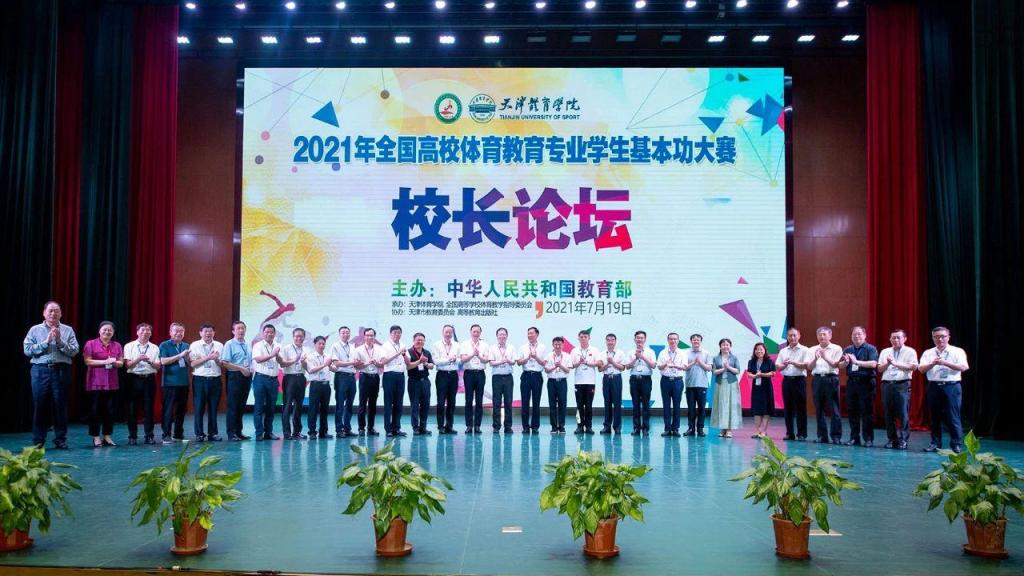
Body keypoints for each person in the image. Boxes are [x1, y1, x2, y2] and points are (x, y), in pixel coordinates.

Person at [22, 301, 79, 450]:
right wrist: (46, 342)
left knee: (60, 405)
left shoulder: (68, 330)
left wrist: (59, 341)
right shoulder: (35, 330)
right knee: (40, 404)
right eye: (50, 310)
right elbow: (27, 350)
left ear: (61, 313)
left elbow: (74, 351)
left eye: (56, 311)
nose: (53, 313)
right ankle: (38, 440)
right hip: (40, 370)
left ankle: (60, 439)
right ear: (44, 313)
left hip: (61, 370)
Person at [919, 326, 970, 453]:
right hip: (934, 386)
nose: (940, 339)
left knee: (953, 416)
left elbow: (964, 367)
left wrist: (945, 363)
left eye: (942, 336)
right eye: (936, 337)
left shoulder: (957, 351)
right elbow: (921, 369)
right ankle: (935, 443)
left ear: (948, 337)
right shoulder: (928, 353)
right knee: (934, 417)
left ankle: (956, 444)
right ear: (933, 338)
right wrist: (933, 363)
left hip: (951, 386)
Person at [82, 321, 123, 447]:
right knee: (95, 410)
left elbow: (121, 363)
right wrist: (105, 362)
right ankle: (95, 437)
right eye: (104, 329)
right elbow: (88, 361)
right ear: (99, 331)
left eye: (110, 330)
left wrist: (114, 362)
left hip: (112, 383)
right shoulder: (90, 343)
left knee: (109, 411)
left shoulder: (117, 345)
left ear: (113, 332)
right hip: (95, 382)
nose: (107, 332)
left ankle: (107, 436)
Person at [877, 329, 918, 450]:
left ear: (904, 339)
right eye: (893, 338)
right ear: (890, 339)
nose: (895, 340)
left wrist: (895, 363)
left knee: (903, 412)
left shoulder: (910, 351)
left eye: (898, 337)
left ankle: (903, 440)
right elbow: (879, 369)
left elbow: (913, 367)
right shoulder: (885, 351)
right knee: (888, 413)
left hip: (902, 384)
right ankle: (892, 439)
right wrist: (888, 363)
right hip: (887, 384)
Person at [840, 326, 879, 447]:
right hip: (852, 382)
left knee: (867, 411)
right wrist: (845, 362)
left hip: (866, 382)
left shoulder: (871, 348)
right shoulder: (848, 349)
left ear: (864, 335)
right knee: (852, 411)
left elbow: (873, 364)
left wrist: (857, 362)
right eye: (854, 334)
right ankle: (854, 438)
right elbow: (840, 365)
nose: (856, 336)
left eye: (859, 334)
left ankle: (868, 439)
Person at [123, 322, 160, 445]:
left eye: (148, 330)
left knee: (148, 409)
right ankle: (132, 436)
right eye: (142, 330)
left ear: (151, 333)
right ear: (137, 332)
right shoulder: (129, 346)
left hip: (149, 379)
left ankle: (149, 436)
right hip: (133, 378)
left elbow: (158, 366)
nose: (145, 332)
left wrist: (149, 361)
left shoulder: (154, 347)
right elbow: (127, 365)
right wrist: (138, 359)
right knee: (132, 408)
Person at [808, 326, 844, 444]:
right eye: (819, 334)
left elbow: (835, 365)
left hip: (831, 379)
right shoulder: (812, 349)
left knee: (834, 408)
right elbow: (810, 367)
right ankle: (822, 436)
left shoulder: (836, 348)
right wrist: (815, 358)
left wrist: (824, 357)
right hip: (817, 379)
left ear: (830, 336)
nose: (821, 336)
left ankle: (836, 436)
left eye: (824, 334)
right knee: (819, 408)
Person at [189, 324, 224, 442]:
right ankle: (199, 434)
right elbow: (193, 364)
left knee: (213, 408)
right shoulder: (195, 345)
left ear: (214, 333)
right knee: (199, 408)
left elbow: (222, 365)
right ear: (200, 333)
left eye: (210, 331)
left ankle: (213, 433)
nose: (208, 333)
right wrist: (208, 358)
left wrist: (216, 359)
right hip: (200, 380)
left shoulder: (219, 345)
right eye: (205, 331)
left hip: (215, 379)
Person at [158, 322, 191, 443]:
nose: (179, 333)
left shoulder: (186, 345)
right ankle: (166, 435)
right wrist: (180, 355)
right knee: (168, 410)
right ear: (170, 332)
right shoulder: (164, 345)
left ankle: (178, 434)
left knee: (181, 410)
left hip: (184, 382)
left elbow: (189, 363)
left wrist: (187, 358)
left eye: (181, 331)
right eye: (176, 331)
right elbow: (163, 361)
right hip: (169, 383)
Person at [776, 328, 810, 441]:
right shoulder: (783, 351)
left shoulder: (805, 350)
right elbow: (778, 367)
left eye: (794, 335)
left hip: (799, 380)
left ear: (799, 336)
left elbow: (806, 365)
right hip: (787, 381)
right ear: (787, 337)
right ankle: (789, 433)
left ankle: (802, 434)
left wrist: (793, 362)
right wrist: (785, 365)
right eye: (790, 336)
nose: (792, 338)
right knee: (788, 408)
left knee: (801, 408)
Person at [221, 320, 252, 441]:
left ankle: (239, 431)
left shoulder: (248, 343)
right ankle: (231, 433)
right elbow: (225, 363)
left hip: (246, 376)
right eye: (238, 328)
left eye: (243, 328)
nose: (241, 330)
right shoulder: (229, 344)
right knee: (233, 405)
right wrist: (241, 368)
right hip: (235, 376)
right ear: (233, 331)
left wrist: (250, 368)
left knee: (241, 405)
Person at [251, 323, 282, 440]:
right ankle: (259, 433)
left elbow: (281, 362)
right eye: (267, 332)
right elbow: (258, 359)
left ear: (274, 333)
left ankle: (268, 432)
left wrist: (278, 356)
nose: (269, 334)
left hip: (273, 380)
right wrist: (272, 354)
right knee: (259, 407)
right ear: (263, 333)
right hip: (260, 379)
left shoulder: (278, 345)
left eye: (271, 332)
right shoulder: (258, 345)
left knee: (271, 408)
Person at [570, 330, 602, 435]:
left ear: (589, 338)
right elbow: (571, 365)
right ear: (578, 338)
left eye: (585, 337)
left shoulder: (595, 350)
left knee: (588, 405)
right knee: (579, 406)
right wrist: (579, 362)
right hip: (578, 382)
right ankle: (579, 426)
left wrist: (587, 362)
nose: (583, 339)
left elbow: (599, 363)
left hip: (590, 382)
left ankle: (589, 426)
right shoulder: (574, 351)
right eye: (581, 337)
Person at [279, 327, 308, 440]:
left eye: (301, 336)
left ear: (304, 337)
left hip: (301, 378)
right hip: (289, 378)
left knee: (299, 406)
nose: (298, 338)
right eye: (296, 336)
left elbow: (308, 367)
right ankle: (287, 433)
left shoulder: (306, 350)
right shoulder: (286, 349)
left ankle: (297, 432)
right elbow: (282, 364)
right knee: (287, 405)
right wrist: (294, 360)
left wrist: (304, 363)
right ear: (293, 337)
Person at [460, 324, 489, 434]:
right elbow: (463, 359)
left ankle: (477, 425)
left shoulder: (485, 345)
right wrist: (473, 354)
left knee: (479, 400)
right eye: (474, 331)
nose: (476, 333)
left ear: (480, 333)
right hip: (469, 374)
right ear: (470, 332)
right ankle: (469, 425)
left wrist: (479, 355)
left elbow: (486, 360)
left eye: (478, 332)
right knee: (468, 400)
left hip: (480, 374)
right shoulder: (465, 344)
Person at [625, 330, 656, 436]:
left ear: (645, 339)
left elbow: (653, 365)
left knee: (646, 404)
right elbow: (627, 366)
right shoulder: (630, 352)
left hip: (646, 379)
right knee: (635, 404)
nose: (640, 340)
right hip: (634, 380)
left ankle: (646, 428)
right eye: (638, 338)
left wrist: (643, 357)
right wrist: (635, 358)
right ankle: (636, 428)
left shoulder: (650, 352)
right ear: (635, 339)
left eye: (642, 338)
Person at [329, 326, 358, 437]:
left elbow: (355, 362)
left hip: (351, 377)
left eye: (347, 332)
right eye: (343, 332)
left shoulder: (352, 346)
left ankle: (347, 428)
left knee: (349, 404)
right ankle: (339, 429)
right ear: (339, 334)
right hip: (341, 377)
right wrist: (352, 363)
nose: (346, 334)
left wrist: (357, 362)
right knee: (340, 404)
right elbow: (336, 363)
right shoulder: (335, 346)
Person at [710, 338, 742, 438]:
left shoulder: (734, 358)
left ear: (730, 346)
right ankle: (722, 429)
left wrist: (728, 367)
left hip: (731, 384)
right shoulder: (716, 358)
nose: (725, 347)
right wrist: (723, 369)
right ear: (720, 347)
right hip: (720, 384)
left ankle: (729, 430)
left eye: (727, 345)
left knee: (730, 406)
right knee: (721, 405)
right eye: (723, 345)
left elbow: (737, 371)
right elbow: (714, 372)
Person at [380, 325, 408, 438]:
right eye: (395, 332)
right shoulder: (385, 346)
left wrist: (404, 355)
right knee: (388, 403)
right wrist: (397, 353)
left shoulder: (403, 345)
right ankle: (388, 429)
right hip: (389, 376)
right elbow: (383, 361)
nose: (397, 334)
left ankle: (396, 428)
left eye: (399, 332)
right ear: (390, 334)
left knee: (399, 403)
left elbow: (408, 361)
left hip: (400, 376)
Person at [517, 326, 546, 434]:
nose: (529, 335)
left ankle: (535, 427)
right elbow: (518, 362)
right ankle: (525, 426)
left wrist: (536, 357)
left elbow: (544, 363)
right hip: (526, 375)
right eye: (528, 333)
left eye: (532, 333)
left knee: (536, 402)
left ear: (537, 334)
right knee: (525, 402)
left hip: (537, 376)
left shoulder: (542, 347)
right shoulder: (523, 347)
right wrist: (528, 358)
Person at [353, 328, 382, 436]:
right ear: (364, 337)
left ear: (374, 337)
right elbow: (356, 366)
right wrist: (367, 363)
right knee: (362, 403)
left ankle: (371, 428)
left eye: (372, 335)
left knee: (373, 404)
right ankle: (361, 428)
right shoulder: (358, 349)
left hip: (375, 377)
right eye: (368, 335)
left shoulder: (379, 349)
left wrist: (376, 363)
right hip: (364, 377)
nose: (370, 337)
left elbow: (382, 364)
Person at [683, 334, 713, 437]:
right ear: (691, 341)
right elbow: (684, 367)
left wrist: (700, 362)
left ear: (701, 341)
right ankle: (691, 428)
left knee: (701, 408)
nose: (696, 341)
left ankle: (700, 429)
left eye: (698, 340)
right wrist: (693, 363)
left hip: (702, 384)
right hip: (690, 384)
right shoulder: (686, 353)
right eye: (694, 340)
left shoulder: (706, 353)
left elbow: (709, 368)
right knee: (691, 408)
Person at [657, 333, 686, 437]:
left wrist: (675, 366)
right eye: (671, 339)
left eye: (675, 339)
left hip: (677, 381)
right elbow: (659, 367)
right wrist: (665, 364)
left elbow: (685, 367)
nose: (673, 341)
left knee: (677, 405)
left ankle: (676, 428)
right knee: (666, 404)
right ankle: (667, 428)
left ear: (678, 340)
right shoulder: (663, 353)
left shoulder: (682, 353)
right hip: (665, 380)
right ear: (668, 340)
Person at [432, 325, 459, 434]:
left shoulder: (457, 345)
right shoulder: (436, 345)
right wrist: (449, 359)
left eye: (450, 332)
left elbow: (461, 360)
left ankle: (449, 426)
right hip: (442, 375)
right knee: (441, 402)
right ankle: (440, 426)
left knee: (452, 402)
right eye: (446, 332)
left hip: (453, 375)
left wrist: (455, 359)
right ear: (442, 332)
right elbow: (436, 361)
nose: (448, 334)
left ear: (452, 333)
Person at [305, 335, 333, 439]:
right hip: (315, 385)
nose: (321, 345)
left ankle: (323, 432)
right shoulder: (310, 356)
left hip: (326, 385)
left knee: (325, 409)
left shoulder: (327, 356)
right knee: (313, 409)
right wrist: (325, 364)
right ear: (315, 344)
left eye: (323, 344)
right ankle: (312, 432)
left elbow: (334, 369)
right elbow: (311, 370)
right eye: (319, 343)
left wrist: (332, 365)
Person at [746, 342, 777, 437]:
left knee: (766, 409)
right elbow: (749, 373)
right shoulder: (751, 362)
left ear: (765, 351)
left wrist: (762, 374)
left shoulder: (769, 361)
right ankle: (758, 431)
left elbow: (773, 373)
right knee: (757, 409)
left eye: (761, 349)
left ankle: (764, 431)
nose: (759, 351)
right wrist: (754, 376)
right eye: (757, 349)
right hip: (756, 388)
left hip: (766, 387)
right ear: (754, 351)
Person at [489, 327, 516, 434]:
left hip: (508, 377)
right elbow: (491, 363)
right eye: (500, 334)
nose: (502, 336)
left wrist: (508, 360)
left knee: (508, 402)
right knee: (496, 402)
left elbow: (513, 362)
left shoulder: (511, 347)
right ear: (497, 336)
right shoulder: (492, 348)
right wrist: (501, 361)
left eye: (504, 334)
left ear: (507, 336)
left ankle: (508, 427)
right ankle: (496, 426)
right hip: (497, 378)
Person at [407, 332, 434, 435]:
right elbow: (408, 366)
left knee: (425, 405)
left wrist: (425, 363)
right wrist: (419, 361)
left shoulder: (427, 352)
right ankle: (415, 428)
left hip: (425, 381)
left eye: (422, 340)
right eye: (418, 340)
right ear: (413, 340)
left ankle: (423, 427)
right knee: (414, 405)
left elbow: (432, 366)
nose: (420, 342)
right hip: (414, 382)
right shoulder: (409, 352)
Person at [599, 333, 626, 435]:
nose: (610, 342)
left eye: (612, 340)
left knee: (617, 403)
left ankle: (617, 427)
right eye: (608, 340)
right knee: (607, 403)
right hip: (606, 378)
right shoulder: (602, 354)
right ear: (606, 341)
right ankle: (607, 426)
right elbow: (600, 369)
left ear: (615, 341)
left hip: (616, 378)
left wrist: (613, 362)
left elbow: (622, 368)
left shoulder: (620, 353)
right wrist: (607, 364)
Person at [544, 336, 571, 434]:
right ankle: (554, 426)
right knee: (552, 405)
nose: (558, 346)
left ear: (563, 345)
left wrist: (560, 365)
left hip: (562, 382)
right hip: (551, 382)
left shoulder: (567, 356)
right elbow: (546, 370)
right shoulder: (548, 356)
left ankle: (562, 426)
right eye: (556, 344)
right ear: (553, 345)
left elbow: (568, 370)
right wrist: (555, 367)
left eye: (560, 344)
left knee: (562, 404)